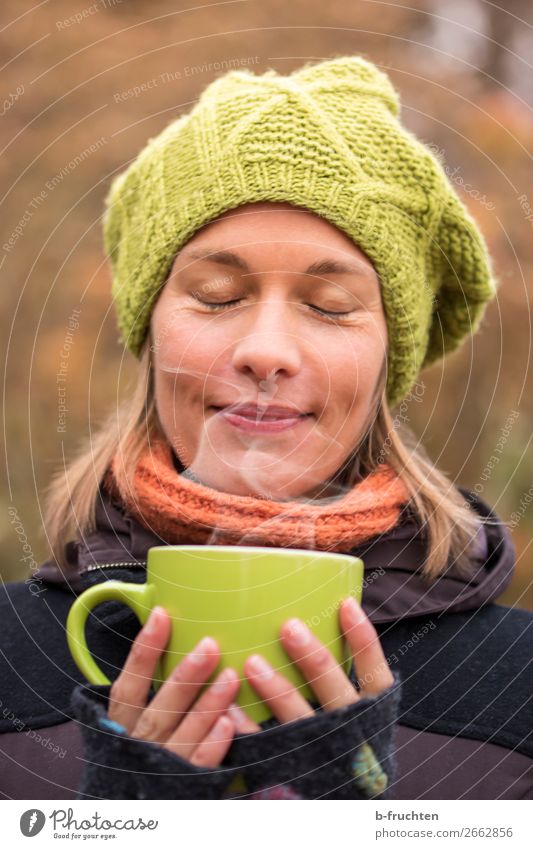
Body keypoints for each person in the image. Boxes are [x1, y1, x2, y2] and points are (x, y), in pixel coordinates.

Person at [1, 55, 531, 801]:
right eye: (216, 295)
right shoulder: (9, 657)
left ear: (388, 357)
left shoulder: (517, 685)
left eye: (331, 303)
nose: (266, 351)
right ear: (151, 329)